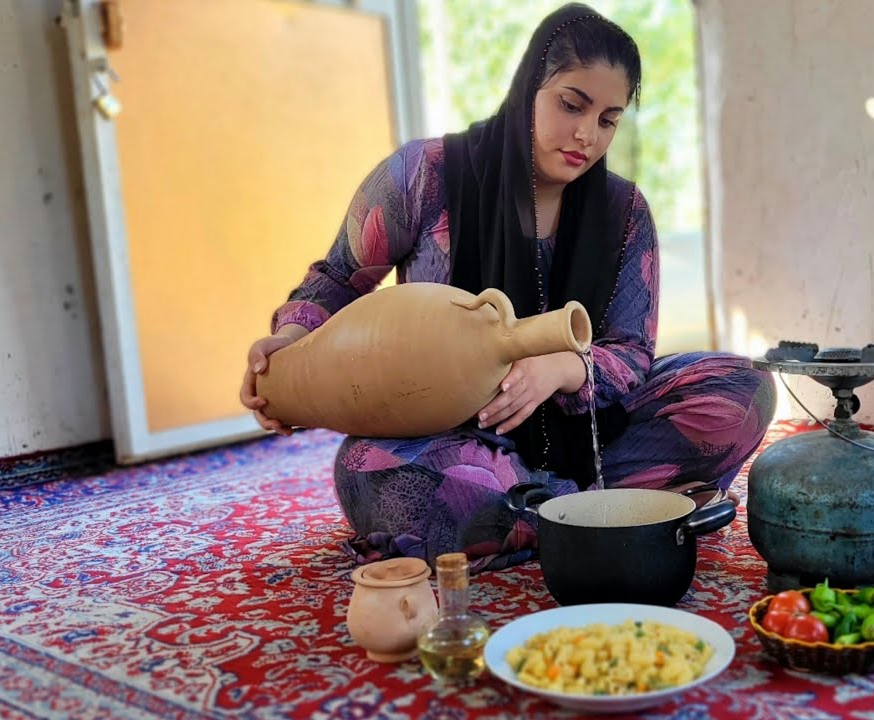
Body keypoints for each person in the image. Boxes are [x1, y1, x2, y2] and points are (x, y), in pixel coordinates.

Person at [240, 2, 775, 571]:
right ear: (530, 86)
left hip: (589, 433)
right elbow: (338, 279)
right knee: (371, 470)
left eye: (608, 119)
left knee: (741, 389)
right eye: (572, 104)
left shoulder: (624, 213)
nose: (586, 135)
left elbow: (632, 353)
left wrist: (560, 369)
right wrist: (292, 342)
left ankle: (542, 515)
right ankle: (611, 513)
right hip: (452, 436)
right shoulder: (425, 174)